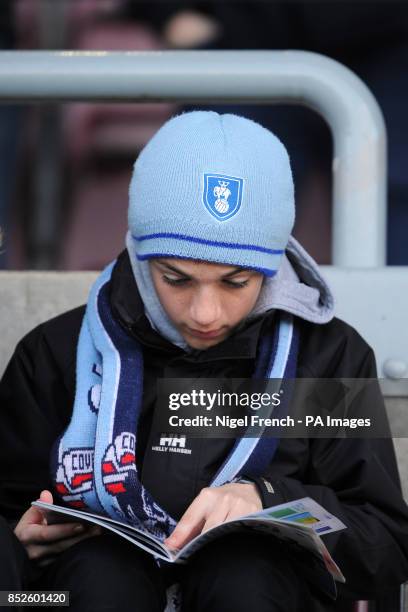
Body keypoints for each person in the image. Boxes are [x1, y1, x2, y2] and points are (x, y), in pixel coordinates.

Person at [0, 111, 407, 612]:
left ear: (272, 265)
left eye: (236, 282)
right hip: (92, 589)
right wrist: (17, 551)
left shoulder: (325, 359)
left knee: (246, 577)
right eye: (176, 279)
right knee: (102, 577)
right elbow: (9, 520)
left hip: (263, 593)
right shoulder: (57, 354)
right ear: (142, 255)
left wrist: (270, 498)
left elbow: (384, 545)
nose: (206, 313)